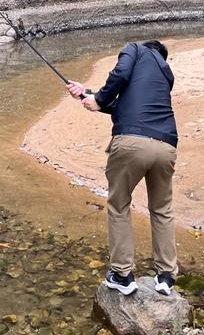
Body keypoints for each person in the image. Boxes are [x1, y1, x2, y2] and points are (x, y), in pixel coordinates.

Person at [66, 39, 178, 297]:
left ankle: (122, 275)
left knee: (119, 205)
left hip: (130, 144)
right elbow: (126, 107)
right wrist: (88, 95)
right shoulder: (165, 74)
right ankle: (166, 277)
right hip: (167, 146)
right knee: (161, 209)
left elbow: (121, 74)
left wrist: (100, 98)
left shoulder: (136, 49)